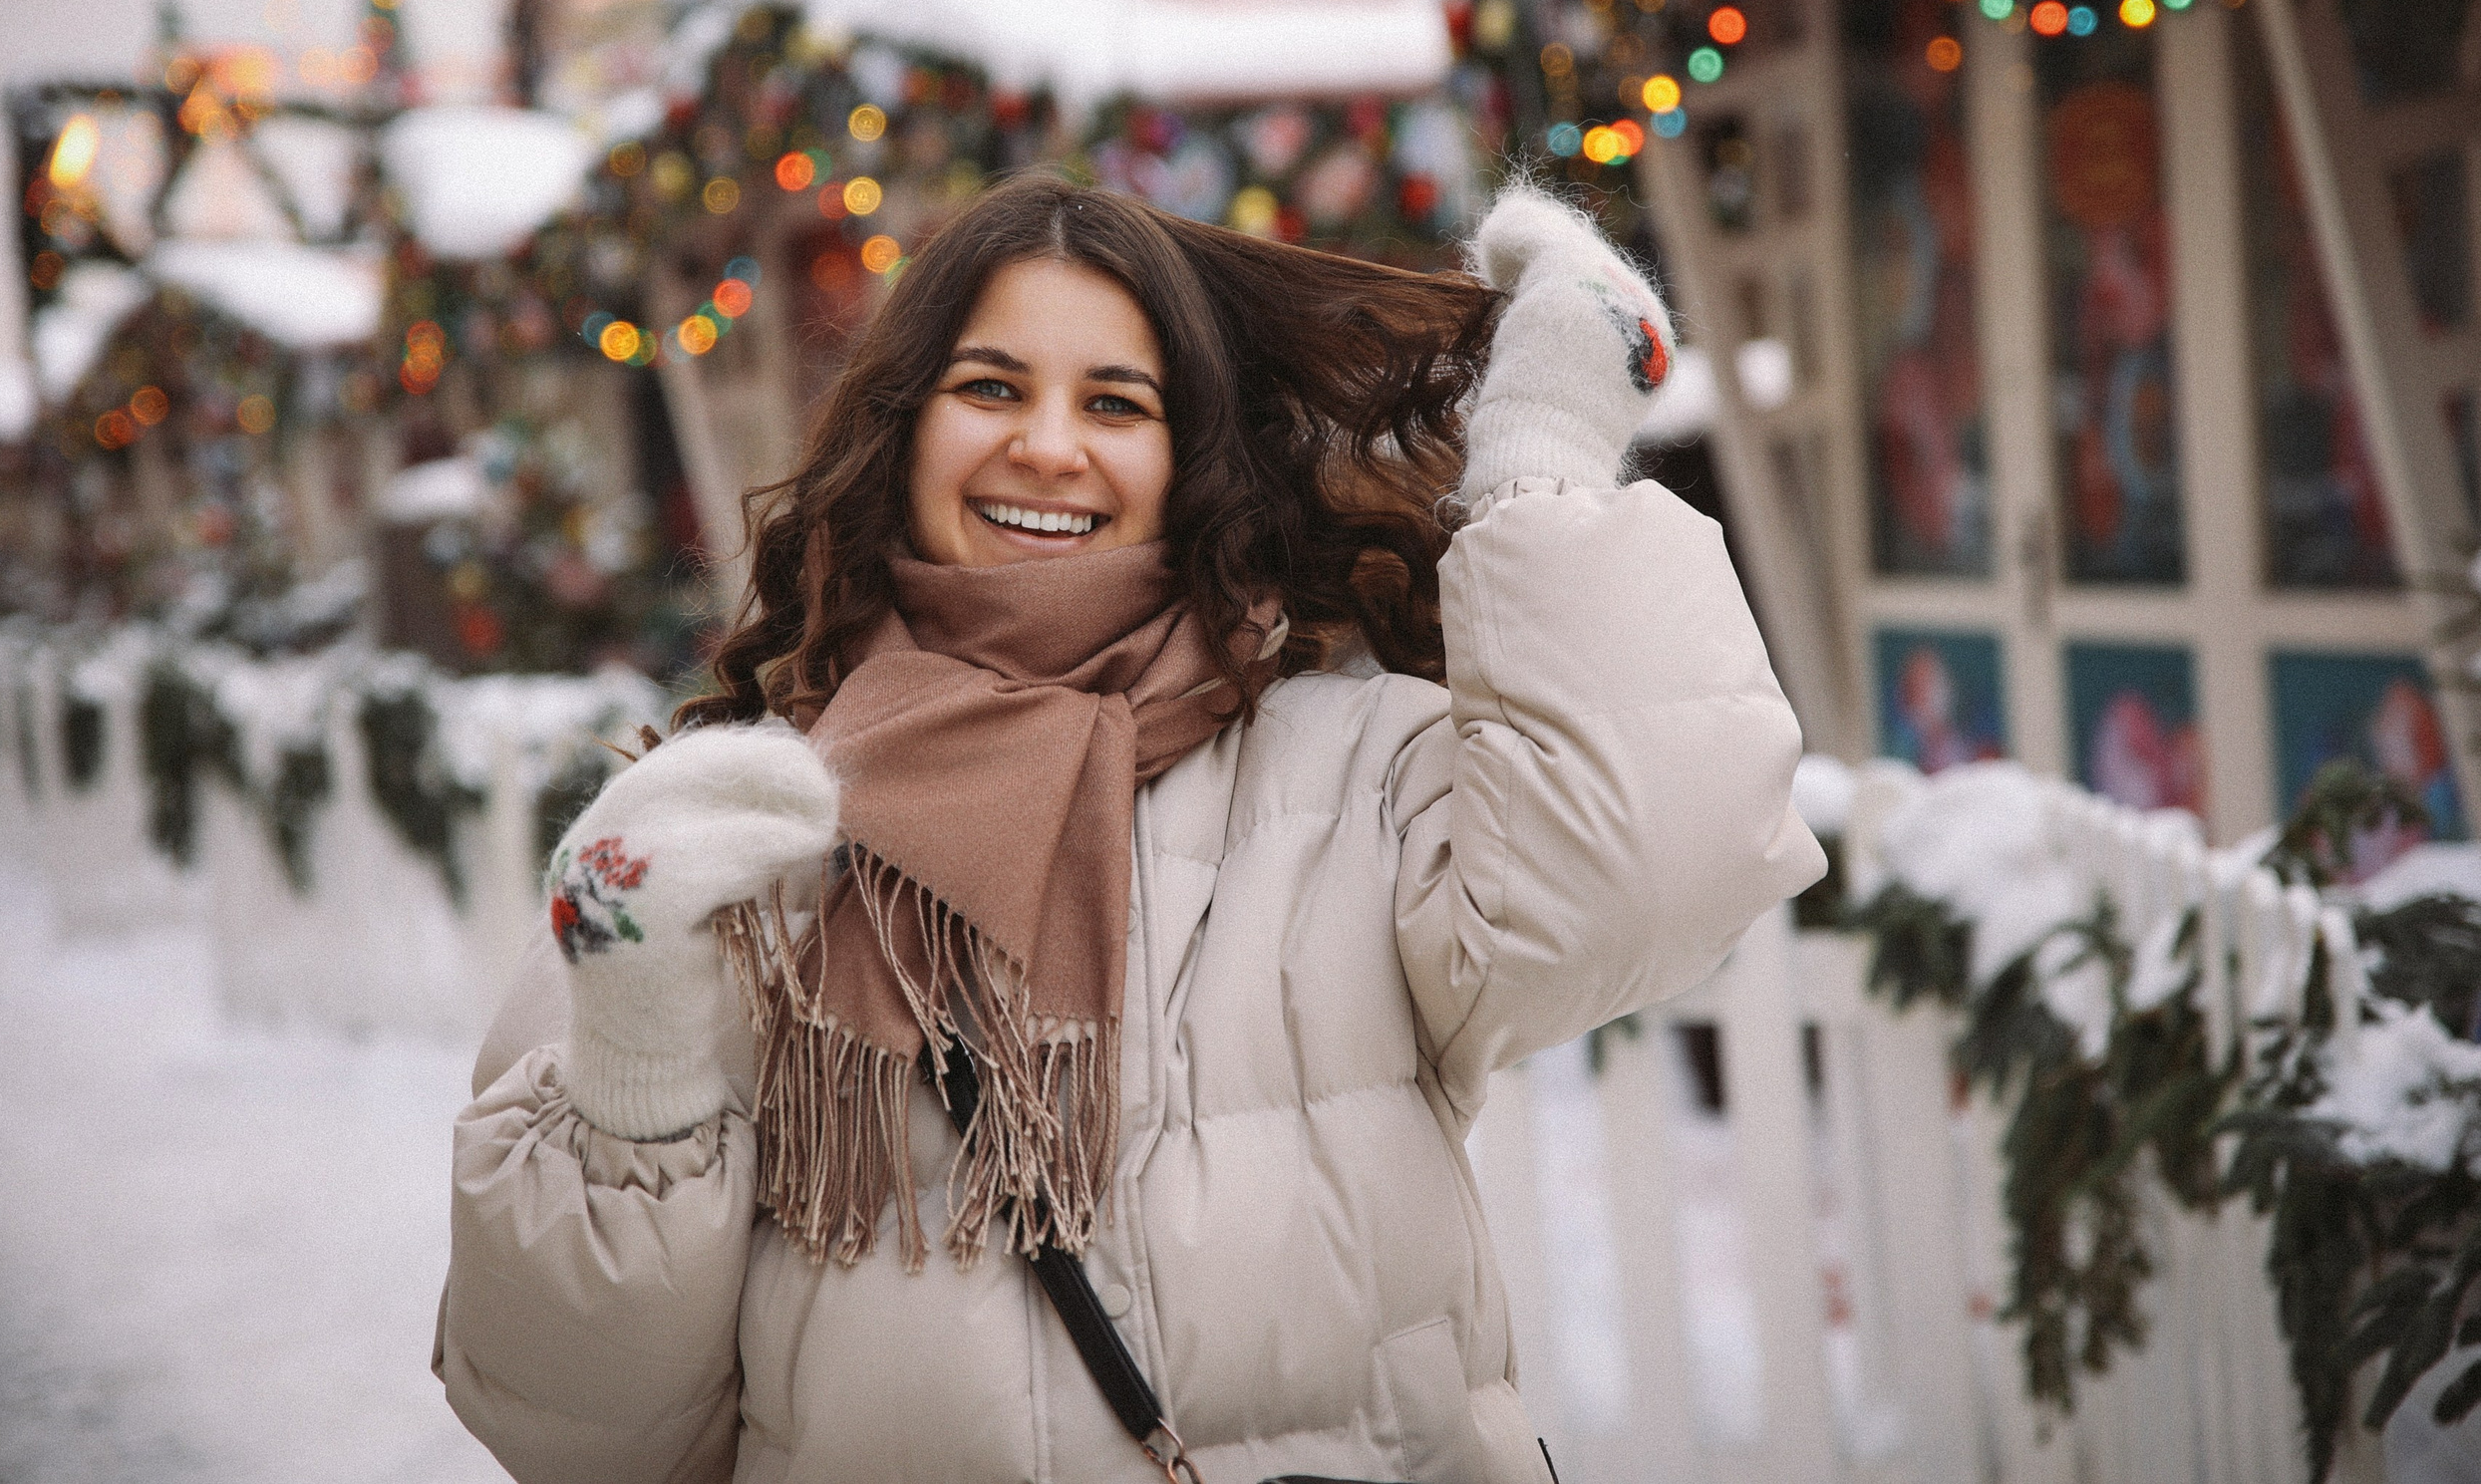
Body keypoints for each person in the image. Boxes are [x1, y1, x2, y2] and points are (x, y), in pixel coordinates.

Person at [436, 171, 1824, 1484]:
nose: (1049, 444)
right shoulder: (730, 835)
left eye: (1115, 400)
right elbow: (581, 1427)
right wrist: (633, 1058)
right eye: (991, 387)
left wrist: (1542, 456)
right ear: (904, 425)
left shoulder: (1351, 769)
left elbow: (1641, 872)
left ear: (1186, 454)